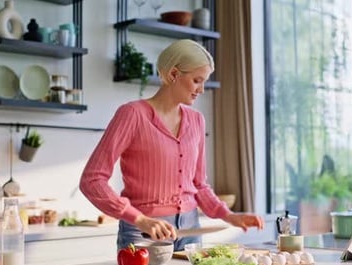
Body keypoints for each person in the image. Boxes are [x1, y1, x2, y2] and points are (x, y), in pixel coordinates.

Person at [80, 39, 264, 252]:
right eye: (197, 80)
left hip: (191, 228)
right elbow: (92, 180)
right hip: (145, 232)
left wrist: (229, 216)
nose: (202, 89)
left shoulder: (196, 120)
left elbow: (199, 184)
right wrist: (138, 218)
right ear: (174, 74)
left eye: (204, 81)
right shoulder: (132, 114)